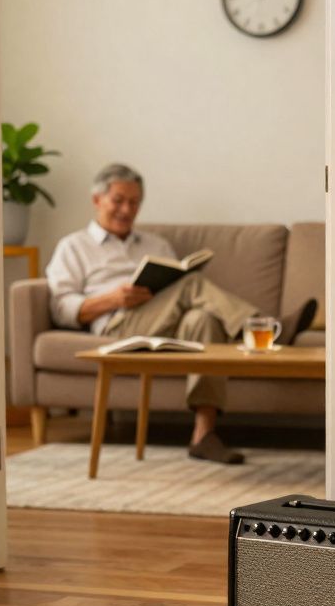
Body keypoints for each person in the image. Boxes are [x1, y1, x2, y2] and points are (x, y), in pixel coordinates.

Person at [46, 163, 317, 465]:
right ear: (97, 200)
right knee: (191, 284)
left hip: (166, 325)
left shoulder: (155, 244)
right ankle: (267, 329)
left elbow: (176, 295)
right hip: (117, 327)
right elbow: (61, 308)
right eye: (118, 200)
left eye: (134, 202)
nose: (127, 209)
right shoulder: (73, 247)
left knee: (203, 320)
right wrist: (112, 299)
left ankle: (203, 435)